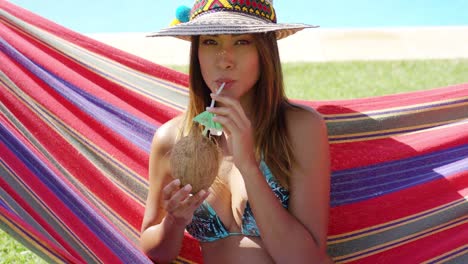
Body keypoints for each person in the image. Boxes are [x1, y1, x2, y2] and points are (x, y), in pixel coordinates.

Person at [140, 1, 332, 263]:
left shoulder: (299, 128)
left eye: (241, 42)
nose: (225, 60)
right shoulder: (172, 138)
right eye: (210, 42)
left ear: (264, 50)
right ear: (196, 51)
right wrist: (174, 222)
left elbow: (305, 260)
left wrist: (248, 166)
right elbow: (157, 253)